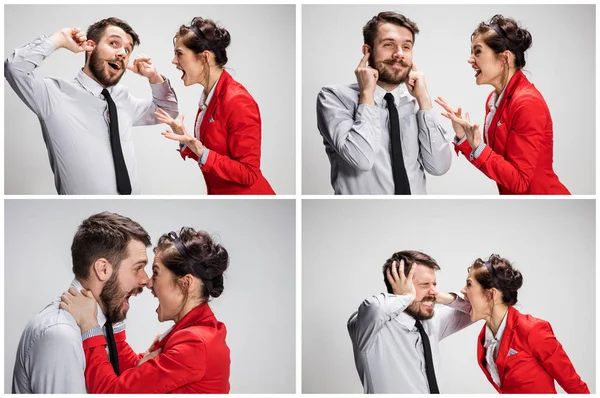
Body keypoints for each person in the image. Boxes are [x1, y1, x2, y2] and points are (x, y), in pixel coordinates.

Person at [4, 17, 179, 194]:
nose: (122, 54)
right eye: (114, 43)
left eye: (128, 49)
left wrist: (154, 77)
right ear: (90, 46)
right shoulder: (52, 95)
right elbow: (15, 68)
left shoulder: (123, 99)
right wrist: (58, 39)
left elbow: (168, 112)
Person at [60, 227, 231, 393]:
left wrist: (90, 327)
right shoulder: (192, 332)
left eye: (156, 273)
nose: (148, 282)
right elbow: (134, 378)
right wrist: (116, 315)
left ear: (186, 283)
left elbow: (111, 391)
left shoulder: (195, 344)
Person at [12, 212, 151, 393]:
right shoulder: (61, 334)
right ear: (103, 269)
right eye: (138, 268)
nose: (146, 280)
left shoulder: (97, 324)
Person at [316, 12, 451, 195]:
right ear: (367, 51)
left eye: (406, 46)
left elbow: (439, 167)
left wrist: (424, 100)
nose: (399, 54)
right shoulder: (334, 98)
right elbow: (361, 159)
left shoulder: (415, 102)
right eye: (389, 45)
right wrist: (366, 95)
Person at [435, 15, 570, 194]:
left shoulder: (527, 103)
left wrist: (478, 147)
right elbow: (497, 167)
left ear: (505, 58)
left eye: (477, 52)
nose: (470, 60)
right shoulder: (494, 99)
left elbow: (520, 181)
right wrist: (464, 138)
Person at [154, 17, 274, 195]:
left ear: (204, 57)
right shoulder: (209, 97)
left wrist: (200, 149)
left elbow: (249, 173)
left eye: (179, 54)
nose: (174, 61)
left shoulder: (238, 101)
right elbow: (211, 156)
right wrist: (185, 139)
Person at [347, 251, 473, 393]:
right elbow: (373, 307)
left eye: (435, 284)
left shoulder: (432, 322)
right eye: (425, 284)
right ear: (399, 285)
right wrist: (406, 297)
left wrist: (443, 297)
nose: (434, 291)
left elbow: (477, 307)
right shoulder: (369, 329)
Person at [460, 254, 589, 393]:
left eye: (468, 284)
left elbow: (575, 387)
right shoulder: (485, 340)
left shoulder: (533, 330)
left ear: (491, 294)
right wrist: (440, 297)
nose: (463, 291)